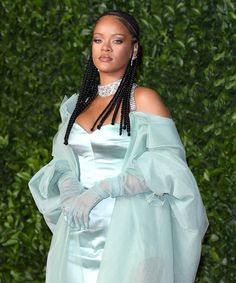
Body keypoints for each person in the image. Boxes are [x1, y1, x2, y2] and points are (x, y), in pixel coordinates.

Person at [29, 10, 209, 283]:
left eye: (117, 40)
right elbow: (62, 160)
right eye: (98, 40)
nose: (105, 48)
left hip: (130, 232)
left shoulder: (144, 100)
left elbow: (168, 168)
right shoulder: (77, 106)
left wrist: (103, 190)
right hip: (77, 232)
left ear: (134, 49)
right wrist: (68, 187)